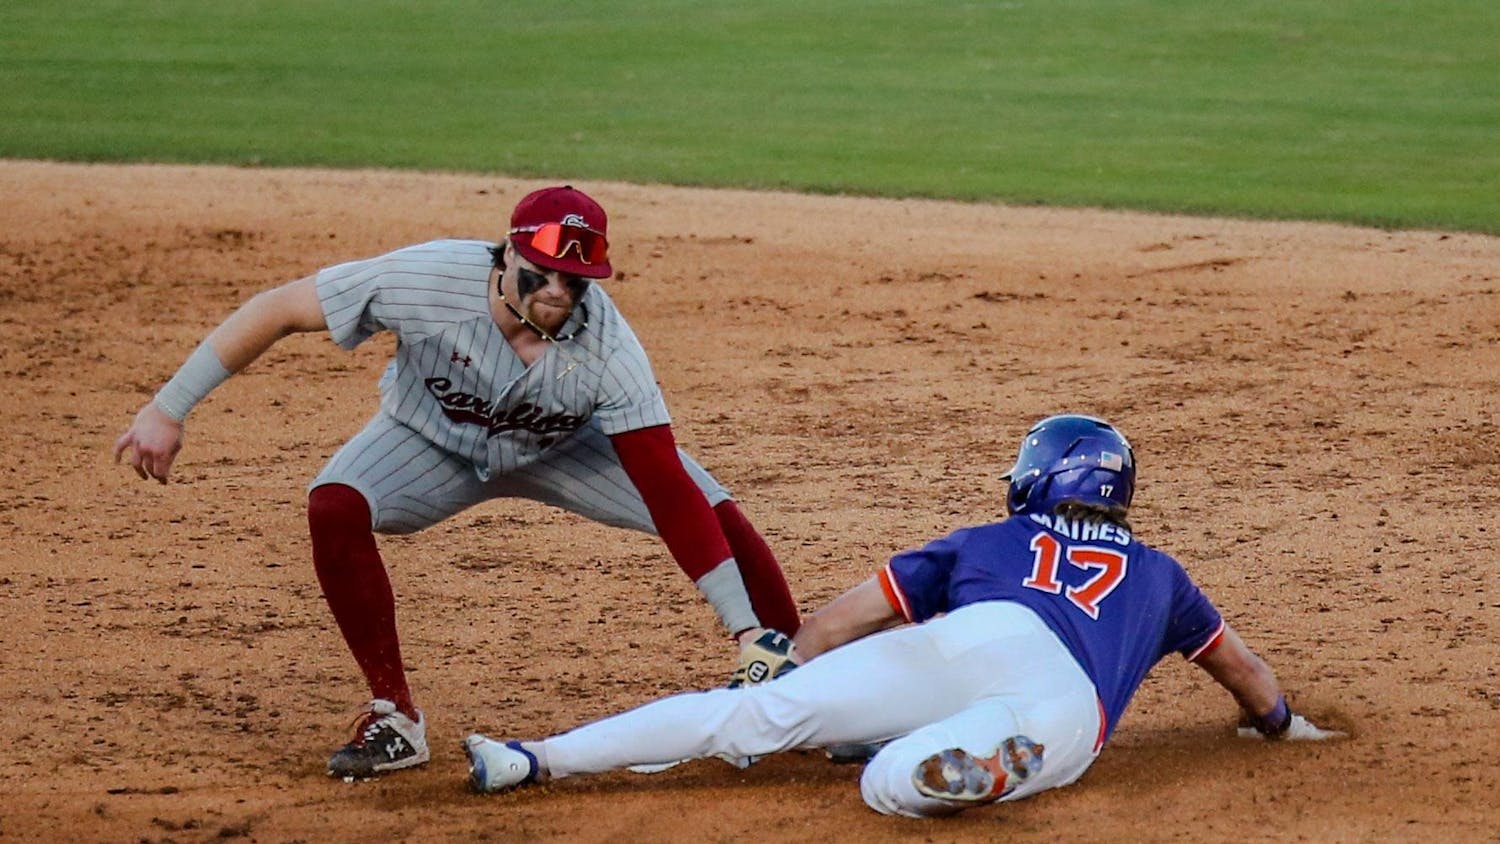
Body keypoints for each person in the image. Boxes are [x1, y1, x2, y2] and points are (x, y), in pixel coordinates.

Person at [113, 185, 802, 780]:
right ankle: (394, 717)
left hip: (565, 450)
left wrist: (742, 628)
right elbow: (279, 308)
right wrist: (167, 408)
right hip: (428, 442)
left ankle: (804, 679)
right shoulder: (424, 280)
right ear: (506, 256)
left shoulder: (609, 350)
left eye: (576, 279)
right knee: (335, 505)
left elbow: (663, 482)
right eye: (542, 273)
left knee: (718, 513)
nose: (558, 292)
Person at [463, 414, 1343, 817]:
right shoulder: (1160, 577)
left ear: (1040, 477)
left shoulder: (986, 538)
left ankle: (533, 759)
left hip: (970, 637)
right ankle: (961, 765)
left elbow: (848, 616)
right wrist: (1281, 726)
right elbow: (1246, 675)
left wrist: (788, 670)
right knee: (888, 788)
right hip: (1068, 702)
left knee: (748, 718)